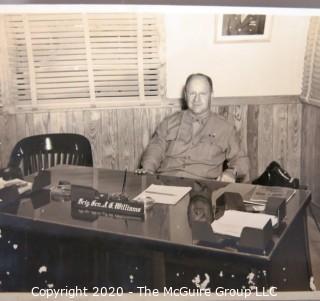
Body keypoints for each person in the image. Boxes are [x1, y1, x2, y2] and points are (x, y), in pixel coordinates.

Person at [136, 73, 249, 182]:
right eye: (192, 93)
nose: (196, 99)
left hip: (203, 191)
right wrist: (148, 169)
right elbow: (155, 148)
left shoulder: (226, 128)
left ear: (211, 95)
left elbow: (241, 159)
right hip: (166, 183)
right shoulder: (169, 122)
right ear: (185, 95)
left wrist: (232, 172)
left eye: (202, 94)